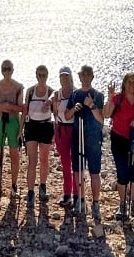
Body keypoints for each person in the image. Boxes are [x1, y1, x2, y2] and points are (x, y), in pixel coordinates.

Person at [103, 72, 134, 223]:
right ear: (124, 83)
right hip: (119, 139)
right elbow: (106, 114)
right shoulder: (117, 98)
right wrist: (109, 97)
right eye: (129, 82)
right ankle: (122, 204)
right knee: (122, 173)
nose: (131, 85)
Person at [67, 64, 105, 221]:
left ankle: (95, 203)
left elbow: (101, 119)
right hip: (77, 136)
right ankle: (80, 199)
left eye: (88, 74)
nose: (85, 77)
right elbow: (67, 115)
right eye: (83, 74)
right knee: (78, 170)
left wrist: (92, 106)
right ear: (79, 76)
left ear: (92, 76)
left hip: (93, 138)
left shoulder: (98, 95)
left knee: (94, 172)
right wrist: (74, 109)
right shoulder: (75, 94)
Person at [0, 60, 24, 197]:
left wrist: (9, 107)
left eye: (9, 68)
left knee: (14, 154)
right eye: (4, 69)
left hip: (13, 122)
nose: (7, 71)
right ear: (1, 70)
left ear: (13, 70)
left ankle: (14, 185)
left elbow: (22, 108)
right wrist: (0, 107)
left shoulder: (19, 87)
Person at [22, 65, 55, 208]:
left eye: (44, 75)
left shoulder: (51, 92)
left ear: (47, 76)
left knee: (44, 159)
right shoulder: (30, 91)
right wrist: (20, 130)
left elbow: (56, 112)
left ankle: (42, 186)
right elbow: (24, 111)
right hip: (31, 127)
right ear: (36, 75)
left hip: (46, 126)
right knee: (32, 161)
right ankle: (30, 192)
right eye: (39, 75)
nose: (42, 77)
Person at [53, 66, 79, 208]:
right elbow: (55, 112)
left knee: (75, 163)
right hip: (61, 130)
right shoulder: (57, 94)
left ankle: (77, 194)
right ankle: (67, 193)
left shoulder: (76, 93)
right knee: (65, 164)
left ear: (70, 77)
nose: (64, 79)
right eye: (62, 76)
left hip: (74, 130)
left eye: (66, 76)